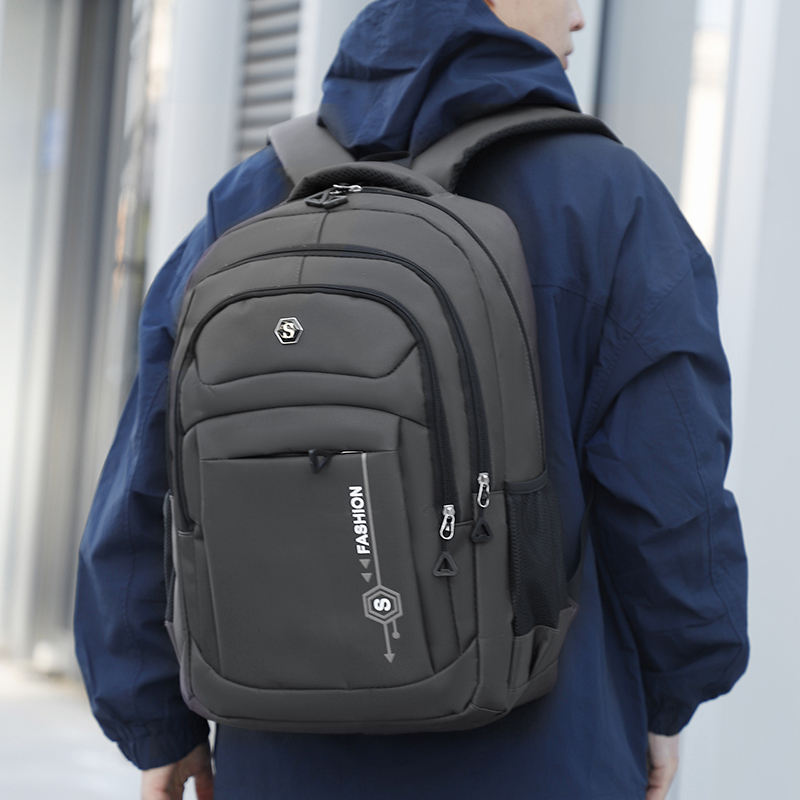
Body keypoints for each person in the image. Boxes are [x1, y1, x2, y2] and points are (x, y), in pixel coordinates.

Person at [73, 1, 750, 798]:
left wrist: (157, 720)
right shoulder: (609, 200)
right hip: (543, 749)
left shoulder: (253, 196)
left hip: (282, 757)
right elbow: (672, 497)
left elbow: (147, 481)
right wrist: (666, 694)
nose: (578, 15)